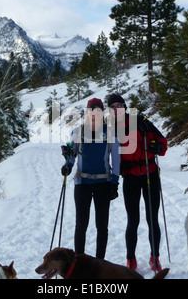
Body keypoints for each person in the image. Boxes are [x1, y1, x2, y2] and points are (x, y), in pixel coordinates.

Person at [107, 93, 168, 272]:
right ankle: (130, 259)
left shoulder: (141, 122)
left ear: (125, 107)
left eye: (120, 106)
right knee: (133, 220)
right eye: (113, 107)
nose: (117, 110)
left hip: (150, 175)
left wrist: (158, 147)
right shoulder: (110, 129)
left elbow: (162, 141)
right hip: (131, 178)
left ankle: (155, 257)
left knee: (152, 218)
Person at [61, 98, 120, 259]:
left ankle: (99, 262)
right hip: (82, 183)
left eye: (98, 111)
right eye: (92, 111)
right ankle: (79, 261)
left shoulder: (110, 133)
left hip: (103, 183)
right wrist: (68, 165)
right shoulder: (77, 131)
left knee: (102, 226)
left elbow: (116, 159)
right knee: (81, 224)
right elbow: (71, 154)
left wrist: (114, 183)